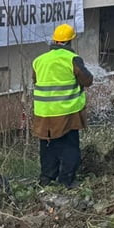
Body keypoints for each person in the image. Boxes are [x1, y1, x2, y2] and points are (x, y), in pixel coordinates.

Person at [32, 23, 93, 188]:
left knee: (47, 146)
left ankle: (46, 179)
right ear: (70, 42)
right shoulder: (72, 59)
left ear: (55, 41)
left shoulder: (39, 61)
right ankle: (67, 181)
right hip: (67, 111)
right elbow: (87, 80)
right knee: (70, 147)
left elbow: (36, 81)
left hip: (43, 113)